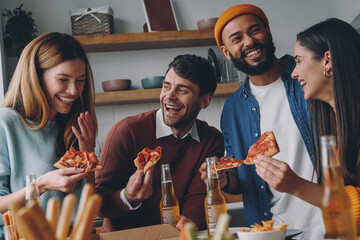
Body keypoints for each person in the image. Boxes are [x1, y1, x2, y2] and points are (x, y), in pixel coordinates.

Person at [199, 4, 323, 239]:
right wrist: (224, 179)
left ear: (268, 31)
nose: (249, 42)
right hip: (272, 232)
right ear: (226, 52)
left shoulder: (308, 77)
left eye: (254, 30)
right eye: (237, 38)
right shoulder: (233, 109)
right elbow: (241, 178)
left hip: (330, 225)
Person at [95, 54, 224, 233]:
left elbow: (199, 198)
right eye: (166, 87)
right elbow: (97, 201)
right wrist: (128, 197)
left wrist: (184, 228)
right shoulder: (126, 131)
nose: (169, 96)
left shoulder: (211, 140)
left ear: (205, 100)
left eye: (182, 90)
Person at [0, 32, 97, 233]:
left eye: (80, 80)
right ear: (36, 77)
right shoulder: (6, 123)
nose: (73, 90)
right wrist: (41, 185)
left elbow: (87, 200)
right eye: (63, 79)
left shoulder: (75, 125)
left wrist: (88, 151)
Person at [288, 18, 360, 237]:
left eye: (299, 61)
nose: (294, 73)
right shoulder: (333, 124)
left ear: (327, 60)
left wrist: (295, 185)